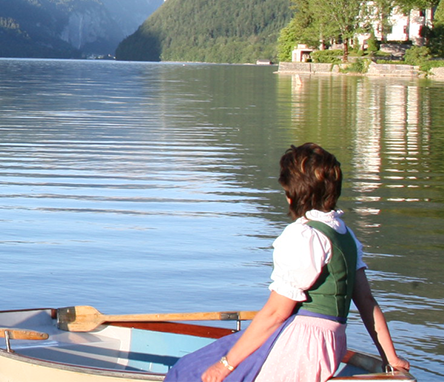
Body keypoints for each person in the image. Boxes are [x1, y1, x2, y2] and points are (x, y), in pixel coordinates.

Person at [165, 143, 410, 382]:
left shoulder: (304, 236)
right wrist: (390, 357)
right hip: (332, 343)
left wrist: (225, 365)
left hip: (302, 345)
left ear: (292, 196)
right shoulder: (345, 236)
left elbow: (275, 313)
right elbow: (367, 302)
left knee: (188, 370)